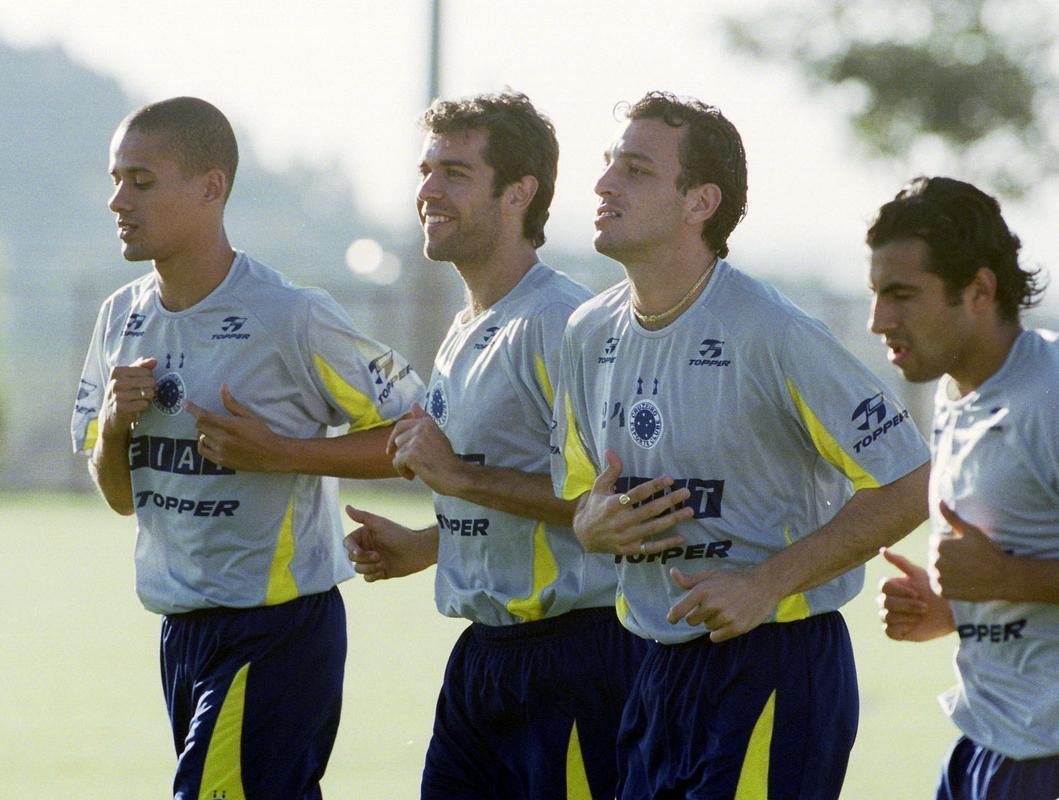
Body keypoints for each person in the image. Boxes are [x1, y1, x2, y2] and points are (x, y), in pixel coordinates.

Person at [550, 91, 931, 799]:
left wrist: (763, 584)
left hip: (772, 662)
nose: (603, 184)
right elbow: (579, 493)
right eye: (608, 164)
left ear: (699, 202)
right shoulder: (584, 333)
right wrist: (588, 524)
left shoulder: (772, 331)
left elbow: (908, 480)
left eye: (634, 169)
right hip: (652, 667)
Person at [70, 96, 423, 800]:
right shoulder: (122, 315)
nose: (117, 200)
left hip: (276, 633)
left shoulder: (290, 316)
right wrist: (113, 427)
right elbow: (118, 499)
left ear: (210, 186)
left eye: (141, 181)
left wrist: (285, 452)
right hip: (181, 632)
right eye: (116, 179)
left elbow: (424, 436)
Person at [344, 91, 645, 799]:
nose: (427, 191)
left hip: (576, 659)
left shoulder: (560, 323)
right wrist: (428, 544)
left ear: (519, 193)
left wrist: (456, 479)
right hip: (483, 658)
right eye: (425, 170)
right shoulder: (468, 324)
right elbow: (502, 483)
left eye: (453, 172)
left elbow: (609, 503)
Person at [869, 176, 1059, 799]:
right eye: (876, 295)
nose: (879, 320)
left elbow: (1010, 570)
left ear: (979, 290)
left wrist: (1005, 581)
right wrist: (954, 610)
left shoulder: (1051, 393)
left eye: (900, 295)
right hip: (981, 749)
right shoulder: (957, 400)